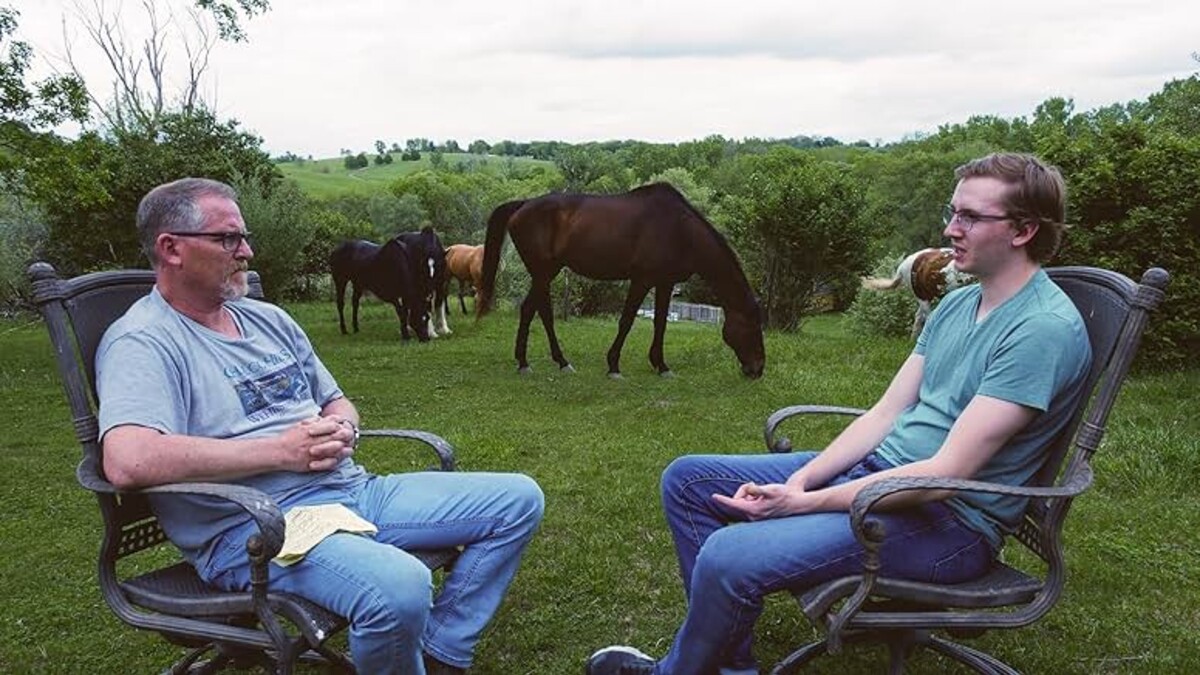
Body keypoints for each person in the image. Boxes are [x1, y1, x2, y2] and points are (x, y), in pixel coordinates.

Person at [586, 152, 1092, 675]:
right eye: (953, 211)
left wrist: (803, 504)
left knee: (726, 555)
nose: (950, 229)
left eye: (970, 217)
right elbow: (885, 413)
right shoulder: (958, 305)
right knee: (688, 480)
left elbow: (945, 475)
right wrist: (803, 479)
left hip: (948, 524)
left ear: (1023, 230)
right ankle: (730, 666)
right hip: (881, 477)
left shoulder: (1041, 330)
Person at [96, 177, 545, 675]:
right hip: (257, 528)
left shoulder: (269, 321)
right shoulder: (143, 342)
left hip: (351, 493)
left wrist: (343, 429)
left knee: (518, 499)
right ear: (171, 248)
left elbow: (336, 401)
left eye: (243, 237)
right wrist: (281, 451)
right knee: (399, 586)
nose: (246, 251)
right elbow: (128, 460)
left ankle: (441, 650)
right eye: (228, 239)